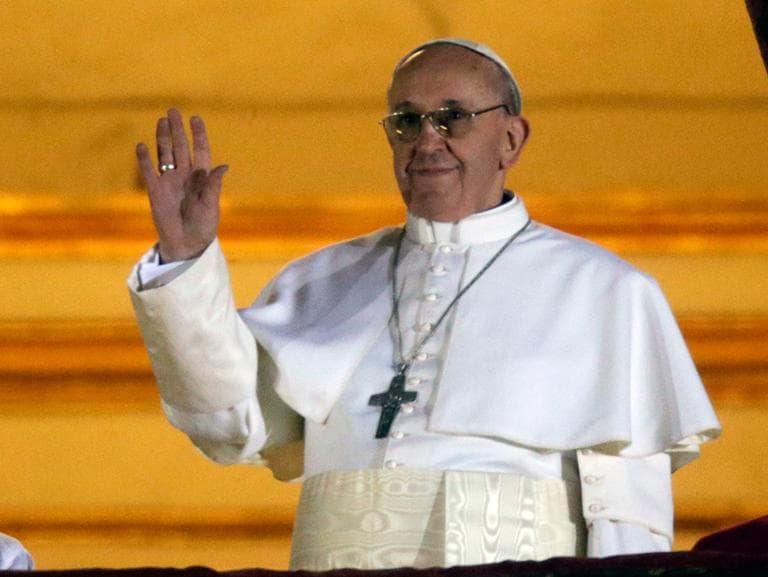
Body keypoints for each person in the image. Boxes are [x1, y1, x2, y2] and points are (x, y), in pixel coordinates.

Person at [128, 39, 720, 570]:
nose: (427, 140)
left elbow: (626, 513)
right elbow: (225, 423)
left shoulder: (606, 292)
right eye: (406, 122)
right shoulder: (320, 281)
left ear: (510, 139)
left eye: (452, 118)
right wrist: (186, 258)